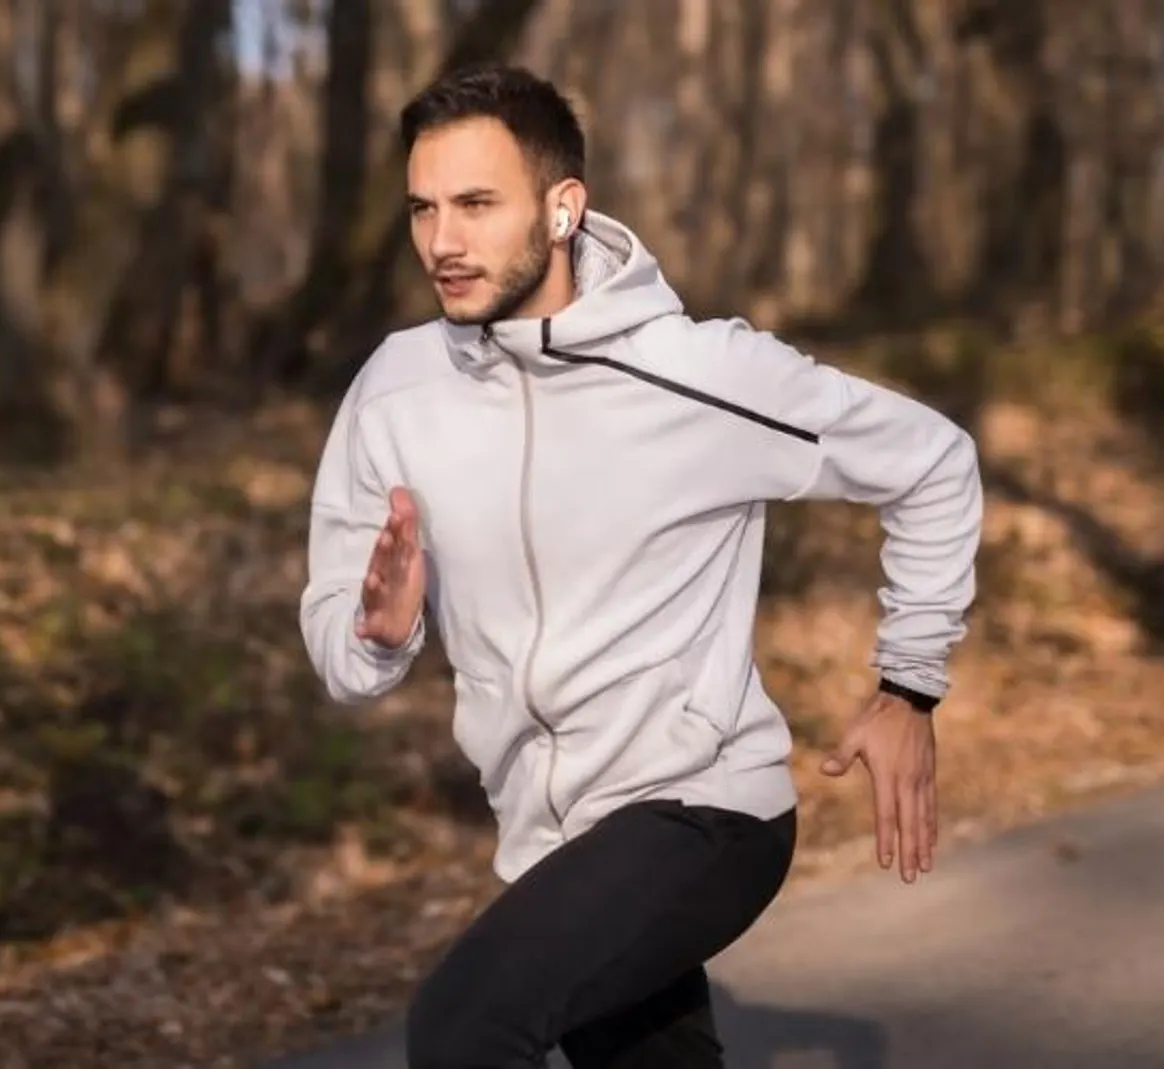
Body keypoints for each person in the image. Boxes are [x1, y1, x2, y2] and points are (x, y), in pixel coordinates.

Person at [296, 62, 983, 1068]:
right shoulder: (396, 389)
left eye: (477, 204)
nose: (442, 241)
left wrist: (907, 684)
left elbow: (931, 462)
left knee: (464, 1023)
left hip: (704, 806)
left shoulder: (697, 374)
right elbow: (336, 643)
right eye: (423, 209)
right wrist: (378, 633)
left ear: (562, 206)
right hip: (548, 843)